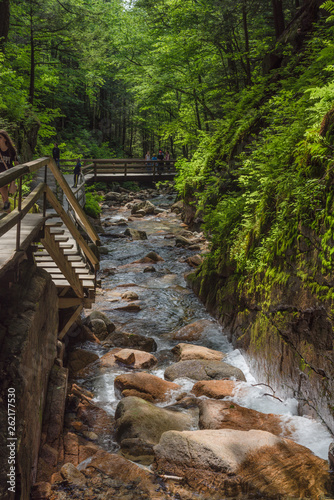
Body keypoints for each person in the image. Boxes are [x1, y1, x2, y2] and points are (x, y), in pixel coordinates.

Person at [0, 130, 19, 211]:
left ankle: (6, 211)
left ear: (5, 139)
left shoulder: (11, 150)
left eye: (0, 137)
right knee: (5, 198)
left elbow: (16, 164)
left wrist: (16, 176)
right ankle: (8, 213)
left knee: (4, 194)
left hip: (8, 175)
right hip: (0, 175)